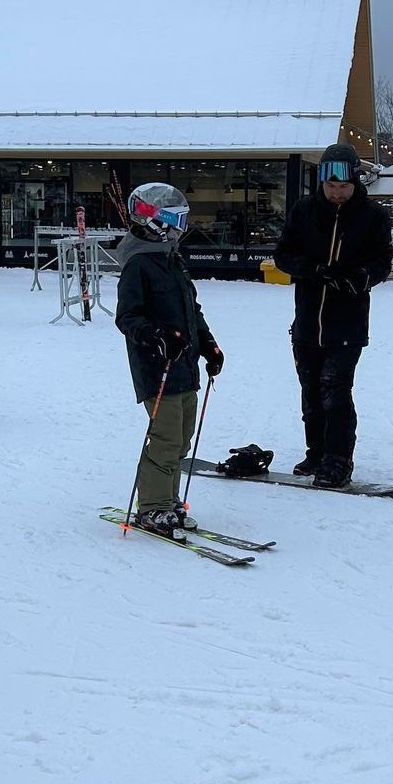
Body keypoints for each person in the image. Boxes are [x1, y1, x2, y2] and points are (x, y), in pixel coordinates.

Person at [272, 142, 393, 488]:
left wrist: (360, 278)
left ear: (355, 183)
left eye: (343, 187)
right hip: (308, 321)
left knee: (335, 390)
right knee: (310, 391)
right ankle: (317, 453)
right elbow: (284, 255)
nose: (336, 193)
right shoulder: (303, 211)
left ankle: (338, 461)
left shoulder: (373, 216)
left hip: (348, 323)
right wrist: (315, 270)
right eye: (330, 186)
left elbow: (382, 260)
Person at [114, 182, 224, 536]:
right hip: (156, 368)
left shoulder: (171, 259)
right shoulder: (138, 264)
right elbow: (128, 317)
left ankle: (169, 500)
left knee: (182, 438)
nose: (181, 228)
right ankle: (152, 507)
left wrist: (208, 344)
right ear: (156, 221)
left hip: (185, 366)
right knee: (165, 438)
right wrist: (156, 336)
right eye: (176, 221)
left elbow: (192, 310)